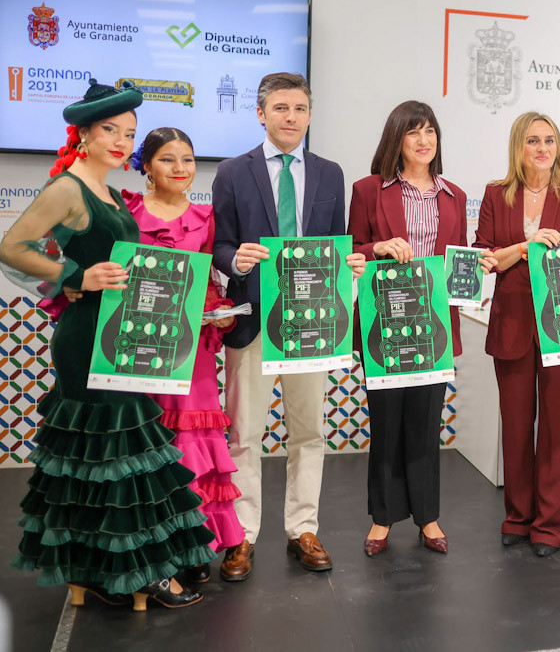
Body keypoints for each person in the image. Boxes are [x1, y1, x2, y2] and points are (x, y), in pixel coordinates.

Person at [1, 80, 212, 610]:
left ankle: (97, 571)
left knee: (109, 455)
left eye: (129, 134)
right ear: (85, 134)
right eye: (110, 131)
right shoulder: (69, 188)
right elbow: (10, 248)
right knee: (111, 451)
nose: (120, 141)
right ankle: (139, 574)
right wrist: (74, 276)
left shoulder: (113, 193)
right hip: (85, 337)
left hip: (121, 335)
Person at [212, 72, 366, 581]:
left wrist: (350, 267)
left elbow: (336, 244)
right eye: (280, 108)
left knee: (309, 433)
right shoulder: (233, 172)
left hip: (310, 326)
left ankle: (303, 527)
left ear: (310, 114)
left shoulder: (330, 173)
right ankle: (242, 536)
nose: (290, 117)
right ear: (261, 114)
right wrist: (238, 261)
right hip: (253, 321)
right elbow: (219, 246)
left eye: (299, 108)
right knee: (244, 435)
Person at [348, 101, 489, 556]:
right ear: (397, 139)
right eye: (413, 132)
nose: (424, 140)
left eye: (430, 131)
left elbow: (459, 259)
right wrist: (377, 247)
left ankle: (428, 517)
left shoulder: (455, 195)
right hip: (384, 320)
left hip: (434, 325)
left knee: (426, 425)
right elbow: (351, 249)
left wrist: (474, 275)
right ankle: (382, 519)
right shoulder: (368, 189)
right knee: (386, 422)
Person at [120, 128, 246, 582]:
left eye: (188, 159)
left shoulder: (206, 217)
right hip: (138, 350)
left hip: (190, 353)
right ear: (147, 166)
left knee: (192, 449)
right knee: (145, 444)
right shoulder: (124, 211)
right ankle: (151, 551)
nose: (180, 169)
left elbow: (211, 281)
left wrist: (220, 313)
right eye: (168, 159)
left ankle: (192, 546)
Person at [473, 111, 560, 557]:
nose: (543, 148)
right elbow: (483, 258)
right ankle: (517, 517)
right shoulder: (494, 194)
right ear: (518, 147)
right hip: (511, 323)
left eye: (549, 140)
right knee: (517, 428)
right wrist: (524, 248)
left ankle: (549, 524)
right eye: (533, 141)